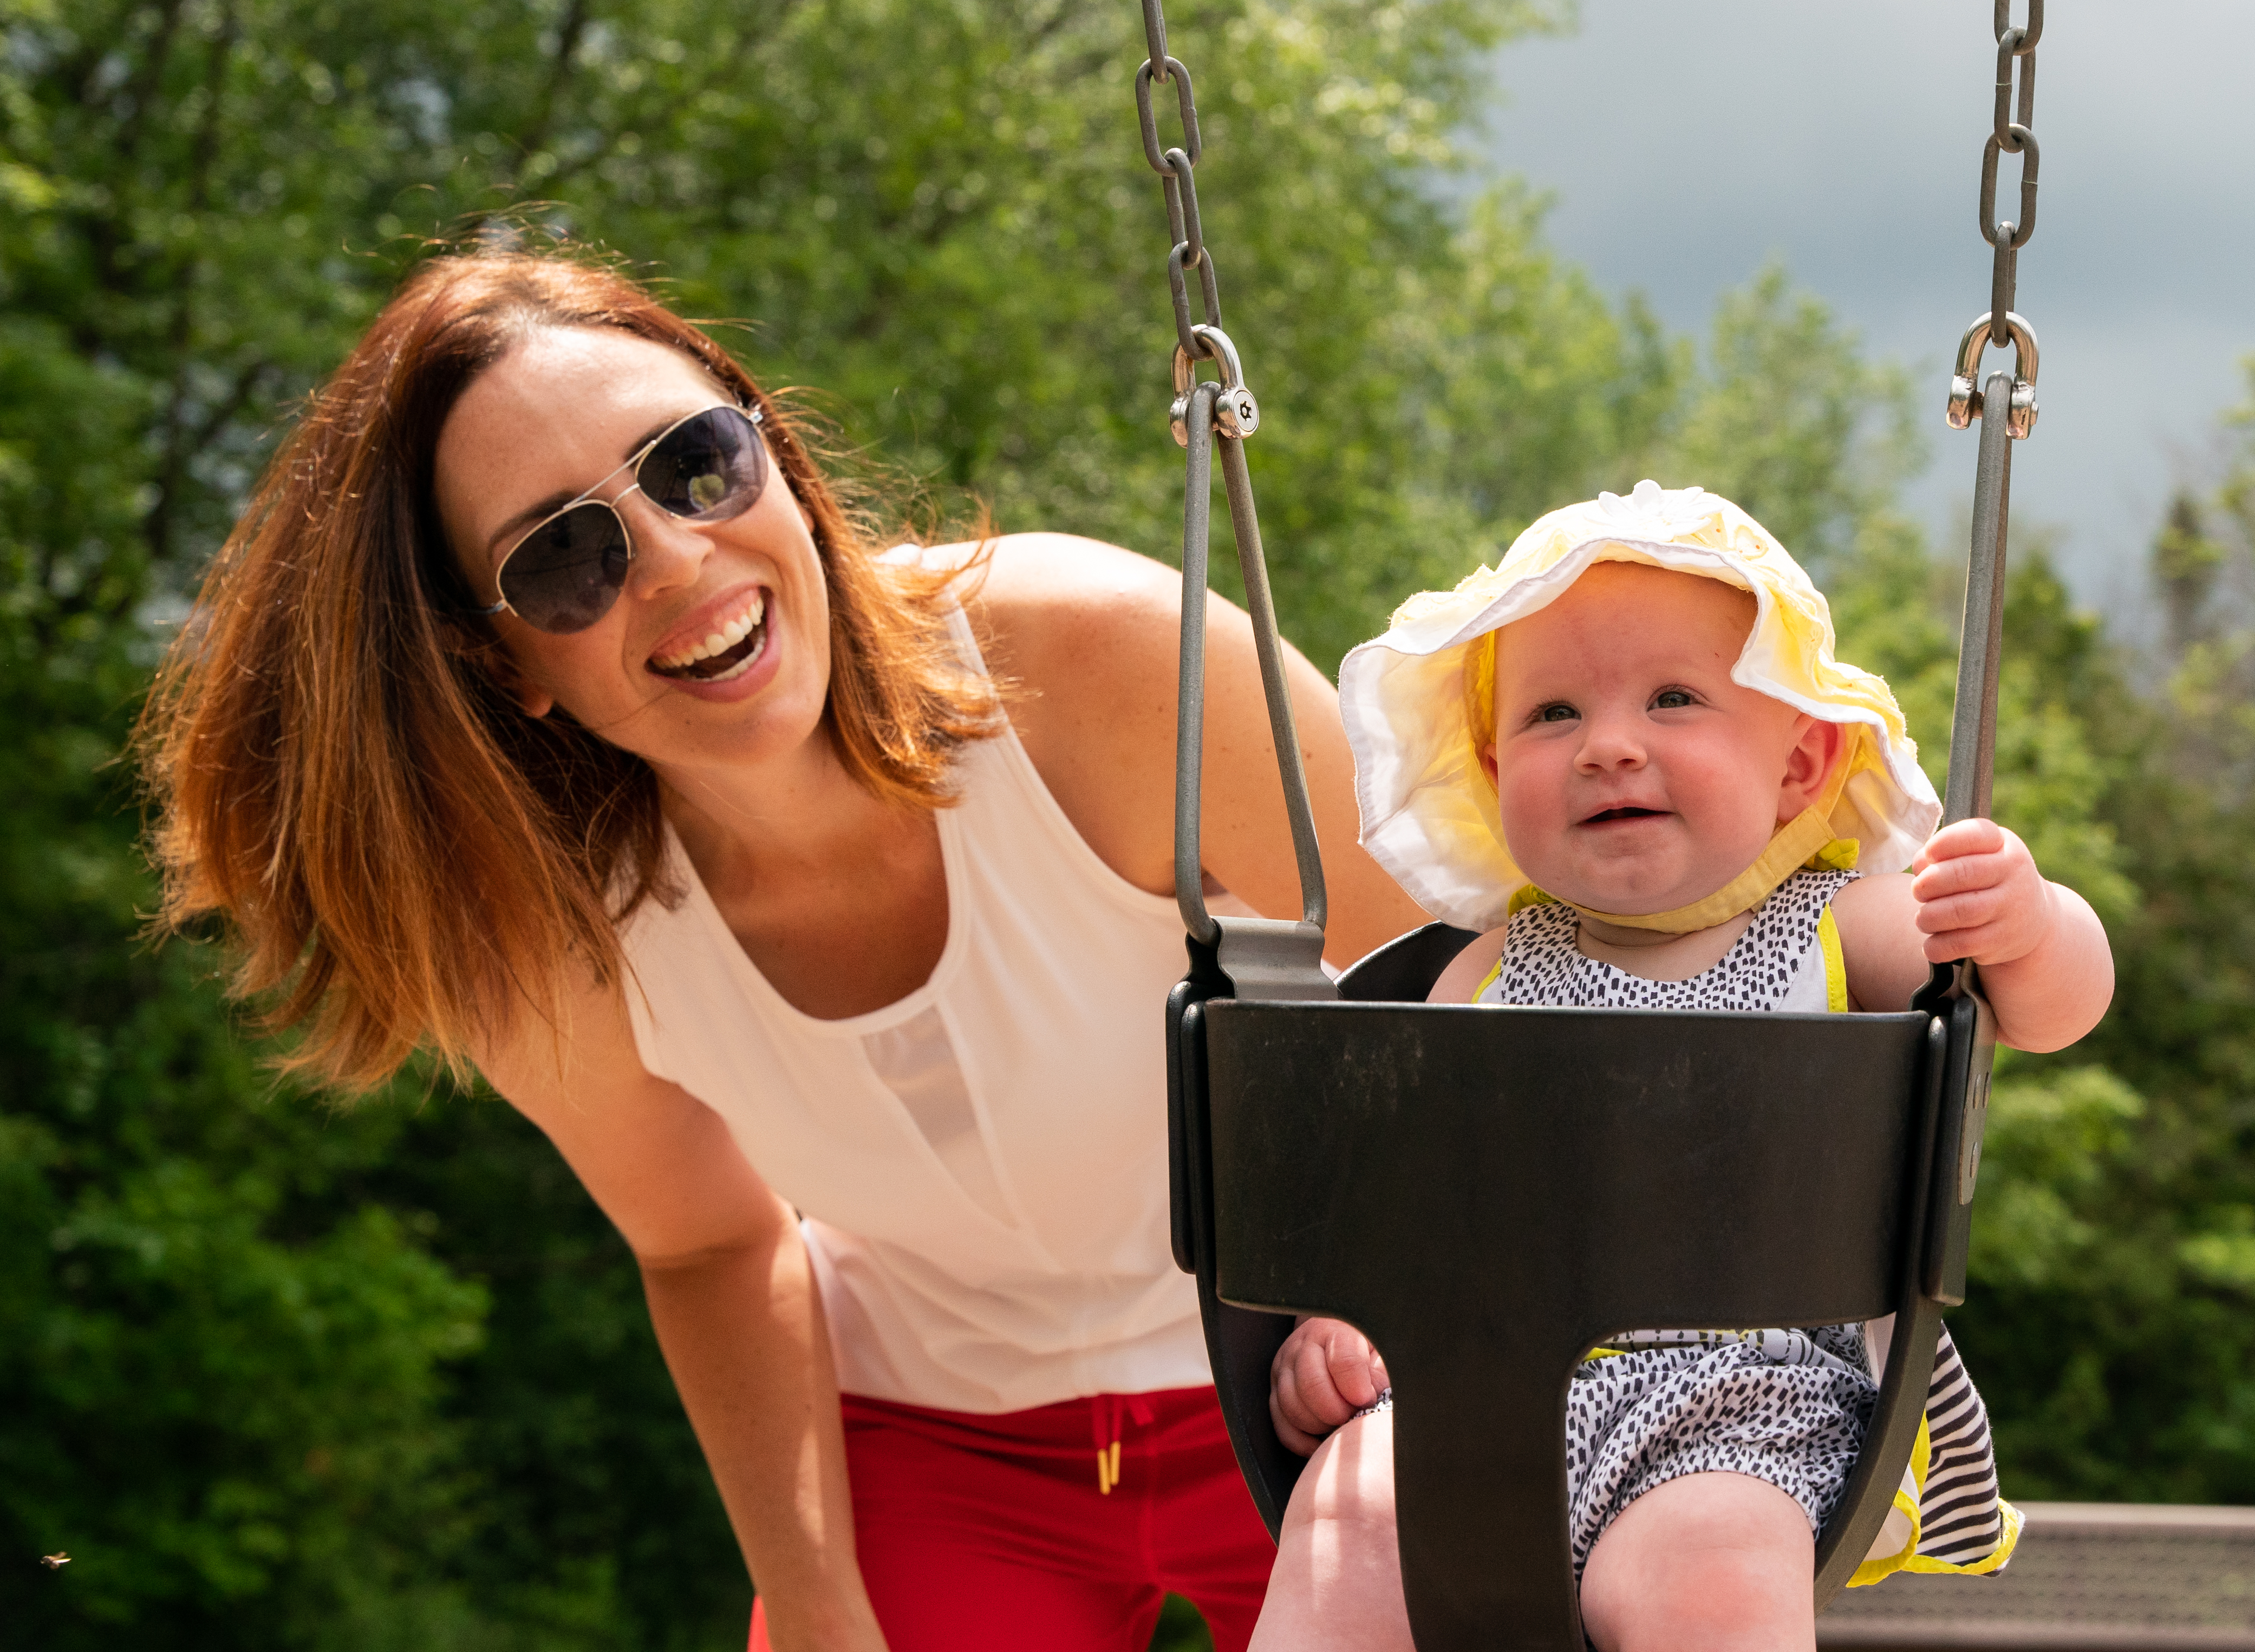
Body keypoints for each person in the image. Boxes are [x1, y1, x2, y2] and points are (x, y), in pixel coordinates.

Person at [139, 248, 1424, 1652]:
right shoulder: (550, 936)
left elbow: (1472, 998)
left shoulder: (1092, 662)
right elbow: (702, 1242)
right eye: (565, 557)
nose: (678, 560)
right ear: (504, 661)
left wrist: (1433, 1336)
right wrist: (815, 1603)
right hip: (938, 1443)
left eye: (696, 463)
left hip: (1315, 1371)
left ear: (780, 459)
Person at [1250, 482, 2116, 1652]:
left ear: (1803, 763)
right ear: (1498, 769)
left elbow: (2048, 1010)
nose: (1610, 742)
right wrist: (1342, 1320)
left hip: (1741, 1405)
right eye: (1554, 712)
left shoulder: (1844, 928)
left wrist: (2026, 920)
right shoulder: (1486, 975)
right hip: (1479, 1390)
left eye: (1674, 698)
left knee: (1709, 1580)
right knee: (1344, 1521)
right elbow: (1407, 1199)